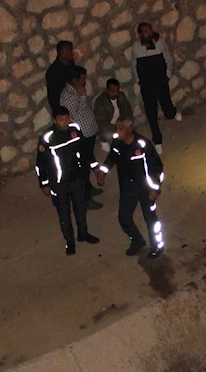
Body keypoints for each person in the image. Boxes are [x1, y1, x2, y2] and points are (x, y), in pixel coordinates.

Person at [97, 116, 165, 259]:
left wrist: (155, 189)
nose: (117, 131)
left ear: (130, 129)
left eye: (121, 129)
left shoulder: (142, 145)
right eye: (116, 128)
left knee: (150, 218)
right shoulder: (117, 143)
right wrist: (103, 172)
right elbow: (112, 158)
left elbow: (156, 168)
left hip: (146, 188)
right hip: (128, 186)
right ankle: (137, 240)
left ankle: (157, 246)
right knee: (124, 217)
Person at [35, 106, 100, 255]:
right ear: (54, 120)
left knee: (80, 208)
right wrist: (43, 183)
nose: (65, 122)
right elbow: (41, 164)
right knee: (64, 213)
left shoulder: (75, 130)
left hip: (77, 178)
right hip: (58, 183)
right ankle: (69, 242)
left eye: (67, 118)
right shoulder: (47, 137)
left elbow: (85, 152)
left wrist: (95, 167)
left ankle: (83, 233)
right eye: (61, 119)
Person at [130, 22, 181, 155]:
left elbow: (168, 59)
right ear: (140, 34)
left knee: (167, 108)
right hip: (147, 84)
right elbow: (134, 65)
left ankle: (173, 112)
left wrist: (167, 75)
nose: (148, 33)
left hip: (160, 81)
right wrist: (139, 80)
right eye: (145, 31)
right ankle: (157, 140)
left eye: (149, 30)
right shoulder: (136, 47)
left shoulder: (160, 43)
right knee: (151, 113)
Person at [60, 66, 102, 210]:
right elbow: (75, 117)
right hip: (81, 135)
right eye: (82, 79)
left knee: (88, 161)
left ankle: (89, 188)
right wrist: (83, 96)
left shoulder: (76, 91)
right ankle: (85, 198)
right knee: (83, 167)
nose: (85, 81)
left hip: (88, 133)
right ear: (74, 80)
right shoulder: (68, 96)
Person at [94, 78, 135, 152]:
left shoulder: (121, 95)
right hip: (108, 125)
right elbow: (102, 122)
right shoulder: (100, 101)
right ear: (107, 90)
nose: (116, 93)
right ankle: (104, 140)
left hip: (119, 121)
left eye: (117, 90)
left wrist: (125, 124)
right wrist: (116, 129)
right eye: (112, 91)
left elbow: (128, 111)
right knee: (107, 134)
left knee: (135, 124)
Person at [45, 40, 76, 114]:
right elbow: (53, 97)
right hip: (65, 108)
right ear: (63, 52)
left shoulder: (71, 64)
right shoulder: (53, 72)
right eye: (70, 50)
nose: (72, 53)